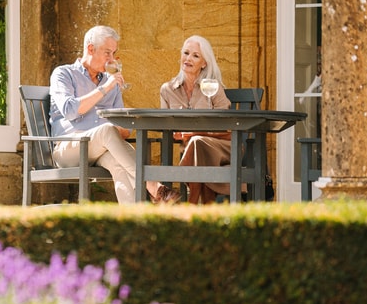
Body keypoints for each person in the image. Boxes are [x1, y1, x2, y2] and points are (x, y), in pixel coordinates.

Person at [49, 25, 180, 204]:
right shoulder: (64, 73)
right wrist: (105, 88)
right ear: (90, 49)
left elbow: (124, 129)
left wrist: (121, 128)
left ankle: (134, 224)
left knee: (118, 165)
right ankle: (154, 187)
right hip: (69, 149)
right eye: (107, 53)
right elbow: (70, 111)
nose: (112, 59)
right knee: (106, 131)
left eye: (114, 53)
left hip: (100, 149)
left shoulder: (110, 81)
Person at [158, 35, 233, 204]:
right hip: (190, 149)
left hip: (222, 147)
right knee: (196, 143)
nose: (188, 58)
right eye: (186, 53)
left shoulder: (213, 87)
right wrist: (175, 133)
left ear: (204, 63)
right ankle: (206, 203)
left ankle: (192, 200)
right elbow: (165, 126)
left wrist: (193, 133)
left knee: (197, 141)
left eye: (195, 56)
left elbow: (227, 128)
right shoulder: (168, 90)